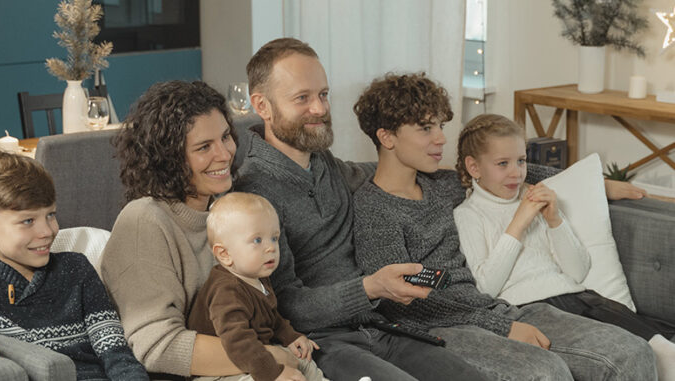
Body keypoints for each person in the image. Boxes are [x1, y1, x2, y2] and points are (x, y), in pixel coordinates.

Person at [351, 72, 658, 380]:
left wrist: (598, 184)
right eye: (426, 128)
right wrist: (502, 326)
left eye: (441, 126)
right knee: (545, 372)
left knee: (634, 352)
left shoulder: (442, 185)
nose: (441, 138)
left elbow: (514, 169)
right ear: (387, 137)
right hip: (444, 326)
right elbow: (403, 304)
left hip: (498, 310)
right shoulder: (373, 208)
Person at [235, 38, 488, 381]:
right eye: (302, 98)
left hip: (381, 326)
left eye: (323, 95)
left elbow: (377, 170)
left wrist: (494, 170)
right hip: (323, 342)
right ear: (262, 106)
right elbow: (285, 304)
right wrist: (370, 288)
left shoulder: (322, 162)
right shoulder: (254, 193)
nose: (320, 109)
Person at [453, 113, 675, 380]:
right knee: (638, 352)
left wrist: (555, 220)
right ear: (474, 167)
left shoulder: (533, 196)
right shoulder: (469, 215)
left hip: (581, 297)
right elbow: (486, 288)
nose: (516, 172)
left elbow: (578, 272)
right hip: (531, 306)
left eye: (521, 161)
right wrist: (519, 222)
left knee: (662, 344)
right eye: (503, 163)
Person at [100, 81, 298, 378]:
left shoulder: (226, 208)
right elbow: (157, 346)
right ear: (169, 158)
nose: (224, 154)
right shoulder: (144, 221)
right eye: (204, 147)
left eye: (225, 137)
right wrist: (271, 358)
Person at [0, 151, 149, 380]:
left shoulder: (76, 269)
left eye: (50, 215)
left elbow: (114, 350)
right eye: (28, 221)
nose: (47, 231)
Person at [188, 192, 328, 381]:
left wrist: (290, 336)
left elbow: (270, 316)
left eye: (274, 238)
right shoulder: (226, 290)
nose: (271, 248)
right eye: (257, 240)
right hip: (223, 370)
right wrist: (272, 372)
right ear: (224, 254)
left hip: (255, 355)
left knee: (305, 363)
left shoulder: (256, 277)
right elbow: (238, 341)